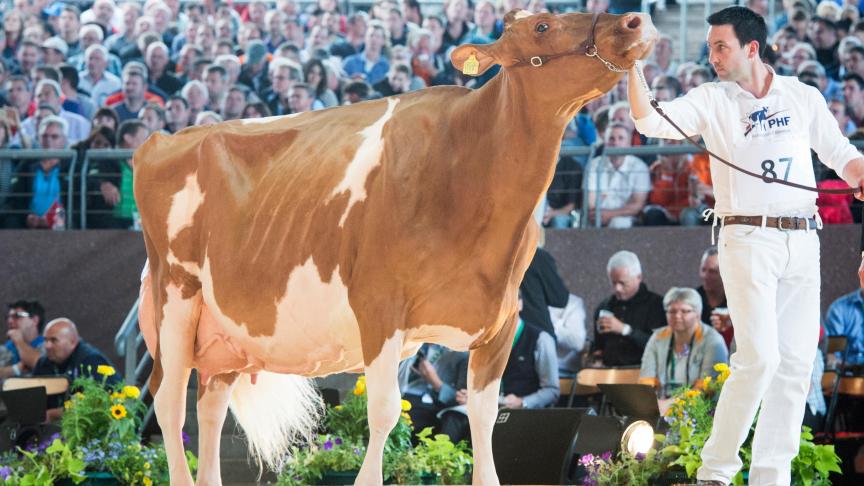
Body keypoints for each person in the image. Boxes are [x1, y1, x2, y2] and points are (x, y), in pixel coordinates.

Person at [627, 6, 864, 486]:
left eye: (721, 46)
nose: (711, 55)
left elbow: (839, 153)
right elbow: (648, 121)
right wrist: (632, 64)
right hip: (747, 237)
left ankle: (769, 477)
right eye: (710, 46)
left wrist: (859, 173)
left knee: (797, 365)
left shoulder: (800, 95)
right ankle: (715, 472)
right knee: (758, 357)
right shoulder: (711, 98)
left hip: (803, 237)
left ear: (751, 48)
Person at [640, 287, 729, 400]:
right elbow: (646, 381)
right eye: (672, 311)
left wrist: (671, 405)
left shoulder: (713, 340)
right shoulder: (657, 337)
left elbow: (707, 389)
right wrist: (651, 404)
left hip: (700, 409)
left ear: (698, 314)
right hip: (661, 406)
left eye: (684, 311)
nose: (677, 316)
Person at [32, 318, 119, 421]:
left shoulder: (91, 360)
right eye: (45, 340)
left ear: (72, 342)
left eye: (53, 340)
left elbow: (98, 404)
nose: (47, 346)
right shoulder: (43, 363)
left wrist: (54, 414)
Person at [589, 251, 666, 367]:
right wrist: (595, 357)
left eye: (622, 283)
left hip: (643, 373)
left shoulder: (657, 305)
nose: (617, 289)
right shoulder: (604, 306)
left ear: (639, 277)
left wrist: (625, 330)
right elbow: (598, 345)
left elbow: (662, 347)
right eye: (613, 283)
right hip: (609, 374)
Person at [0, 300, 46, 380]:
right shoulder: (6, 348)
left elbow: (40, 364)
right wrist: (16, 368)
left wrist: (19, 342)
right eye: (9, 317)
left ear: (34, 320)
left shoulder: (47, 345)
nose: (10, 321)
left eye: (17, 316)